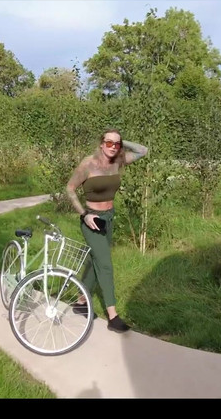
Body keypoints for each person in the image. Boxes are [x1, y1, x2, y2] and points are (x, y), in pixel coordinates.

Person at [65, 128, 148, 333]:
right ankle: (113, 316)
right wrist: (84, 214)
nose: (112, 147)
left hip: (108, 218)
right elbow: (70, 188)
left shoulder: (118, 162)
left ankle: (81, 301)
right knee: (105, 265)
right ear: (101, 143)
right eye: (108, 143)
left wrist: (120, 141)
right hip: (91, 219)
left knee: (96, 262)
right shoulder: (88, 164)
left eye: (116, 144)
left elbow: (143, 150)